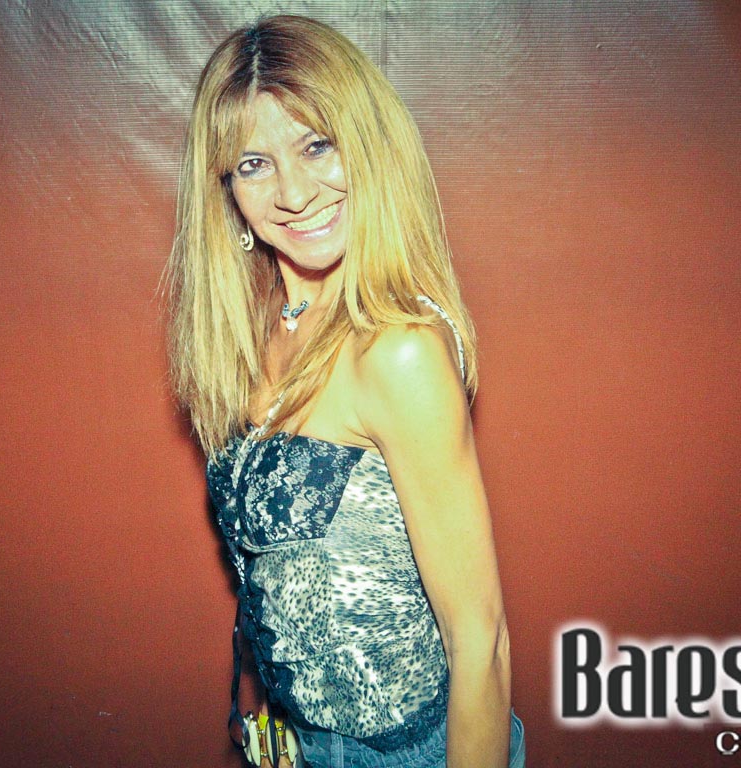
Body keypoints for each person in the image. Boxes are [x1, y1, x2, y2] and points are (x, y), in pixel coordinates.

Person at [166, 15, 525, 768]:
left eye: (316, 146)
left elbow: (481, 643)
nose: (295, 193)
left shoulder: (397, 352)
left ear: (367, 146)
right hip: (300, 744)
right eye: (254, 164)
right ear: (227, 190)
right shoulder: (256, 331)